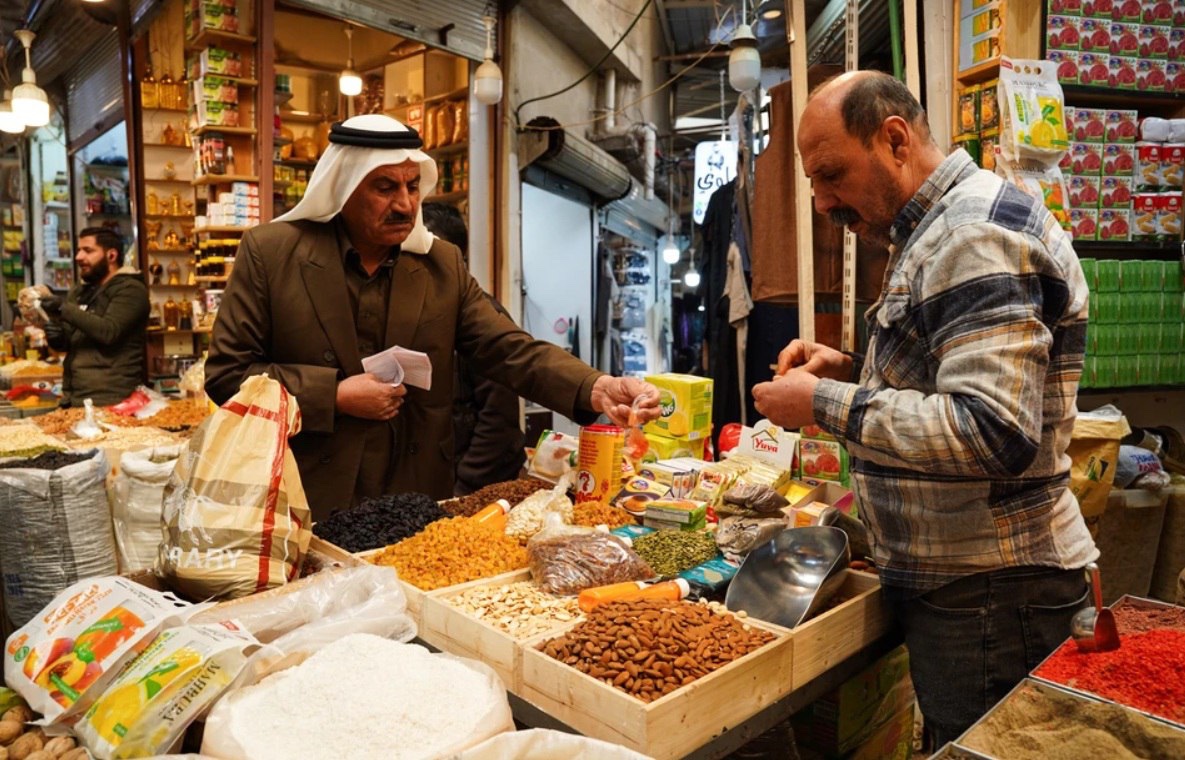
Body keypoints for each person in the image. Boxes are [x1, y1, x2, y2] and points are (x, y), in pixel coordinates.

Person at [751, 71, 1097, 747]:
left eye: (831, 176)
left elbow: (991, 430)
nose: (822, 203)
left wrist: (822, 401)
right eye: (814, 184)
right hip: (976, 588)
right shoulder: (936, 229)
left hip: (993, 591)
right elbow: (951, 380)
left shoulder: (971, 235)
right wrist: (850, 369)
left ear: (894, 139)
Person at [205, 114, 658, 519]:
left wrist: (596, 387)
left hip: (413, 497)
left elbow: (508, 348)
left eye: (412, 186)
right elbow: (228, 375)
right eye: (385, 187)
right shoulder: (272, 255)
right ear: (343, 187)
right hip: (304, 495)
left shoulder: (440, 264)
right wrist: (334, 395)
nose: (405, 204)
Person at [420, 201, 526, 495]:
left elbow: (498, 419)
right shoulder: (419, 312)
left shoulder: (481, 317)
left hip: (480, 487)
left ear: (454, 257)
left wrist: (463, 489)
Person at [41, 227, 149, 407]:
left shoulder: (130, 289)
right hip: (75, 397)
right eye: (79, 250)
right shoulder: (80, 291)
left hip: (112, 400)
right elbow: (70, 341)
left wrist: (63, 308)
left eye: (88, 250)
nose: (79, 257)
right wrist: (56, 335)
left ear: (111, 255)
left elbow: (109, 332)